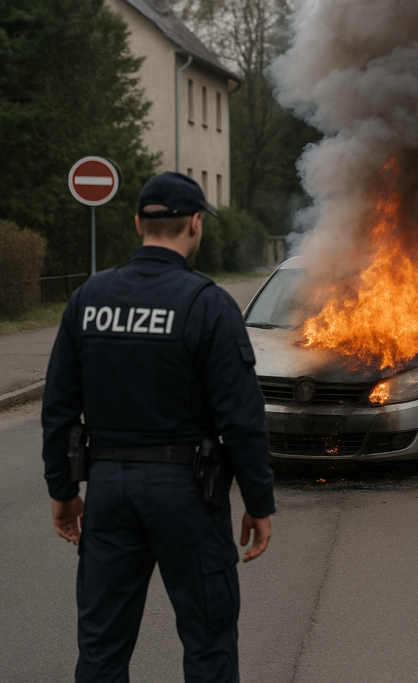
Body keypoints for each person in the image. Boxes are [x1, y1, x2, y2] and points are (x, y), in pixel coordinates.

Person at [41, 172, 276, 682]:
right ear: (195, 225)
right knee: (209, 642)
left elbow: (58, 408)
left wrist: (63, 491)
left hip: (107, 493)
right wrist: (259, 502)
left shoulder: (89, 298)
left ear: (137, 222)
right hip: (188, 496)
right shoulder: (207, 304)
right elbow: (241, 418)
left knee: (101, 648)